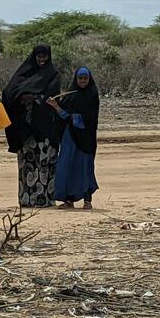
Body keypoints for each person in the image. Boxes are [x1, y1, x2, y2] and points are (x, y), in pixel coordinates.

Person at [2, 44, 62, 208]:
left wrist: (35, 98)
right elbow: (8, 93)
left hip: (45, 129)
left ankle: (44, 199)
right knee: (27, 163)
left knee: (43, 162)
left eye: (44, 56)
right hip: (25, 129)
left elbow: (51, 96)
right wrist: (22, 98)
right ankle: (26, 199)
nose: (42, 59)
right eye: (39, 56)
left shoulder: (53, 74)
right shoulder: (24, 73)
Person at [47, 67, 99, 210]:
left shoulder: (92, 95)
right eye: (80, 78)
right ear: (76, 79)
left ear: (89, 79)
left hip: (86, 138)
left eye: (85, 78)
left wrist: (75, 117)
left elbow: (92, 117)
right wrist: (55, 106)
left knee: (85, 166)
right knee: (67, 165)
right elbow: (63, 115)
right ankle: (68, 200)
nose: (82, 81)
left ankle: (87, 200)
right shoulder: (70, 96)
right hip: (70, 136)